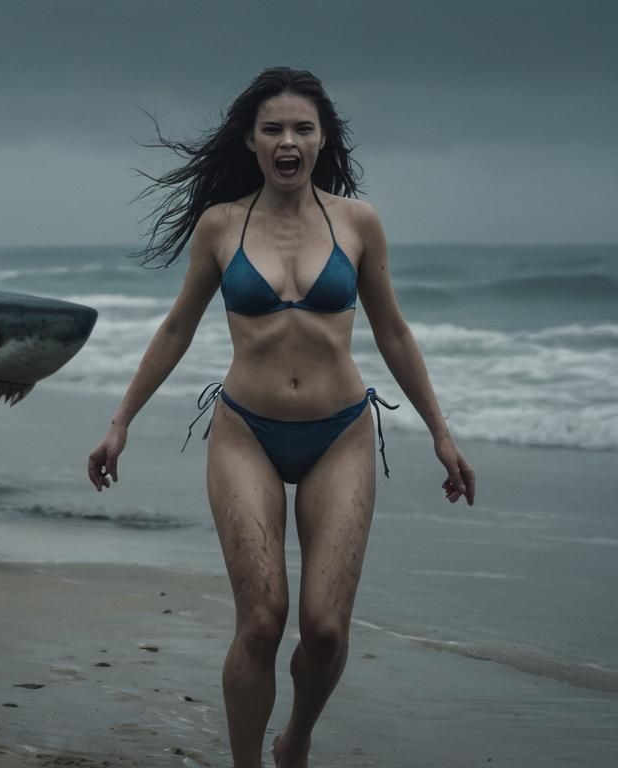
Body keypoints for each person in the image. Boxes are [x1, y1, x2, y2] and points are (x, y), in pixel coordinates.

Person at [85, 67, 475, 768]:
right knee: (262, 622)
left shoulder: (359, 224)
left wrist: (442, 435)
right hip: (247, 436)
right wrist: (121, 421)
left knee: (324, 630)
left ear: (324, 140)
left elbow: (393, 333)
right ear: (251, 141)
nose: (288, 140)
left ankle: (295, 739)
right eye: (274, 129)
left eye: (302, 128)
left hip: (342, 437)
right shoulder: (221, 226)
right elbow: (176, 329)